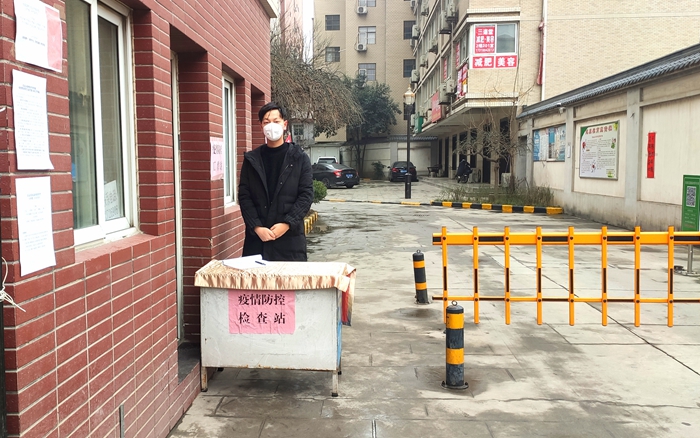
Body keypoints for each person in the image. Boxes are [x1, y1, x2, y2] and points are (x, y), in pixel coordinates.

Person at [238, 102, 314, 261]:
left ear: (284, 124)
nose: (271, 125)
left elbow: (306, 195)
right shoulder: (252, 160)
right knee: (256, 277)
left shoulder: (299, 158)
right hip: (257, 241)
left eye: (276, 121)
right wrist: (257, 227)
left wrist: (287, 224)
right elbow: (245, 196)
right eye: (266, 122)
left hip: (290, 241)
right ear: (261, 126)